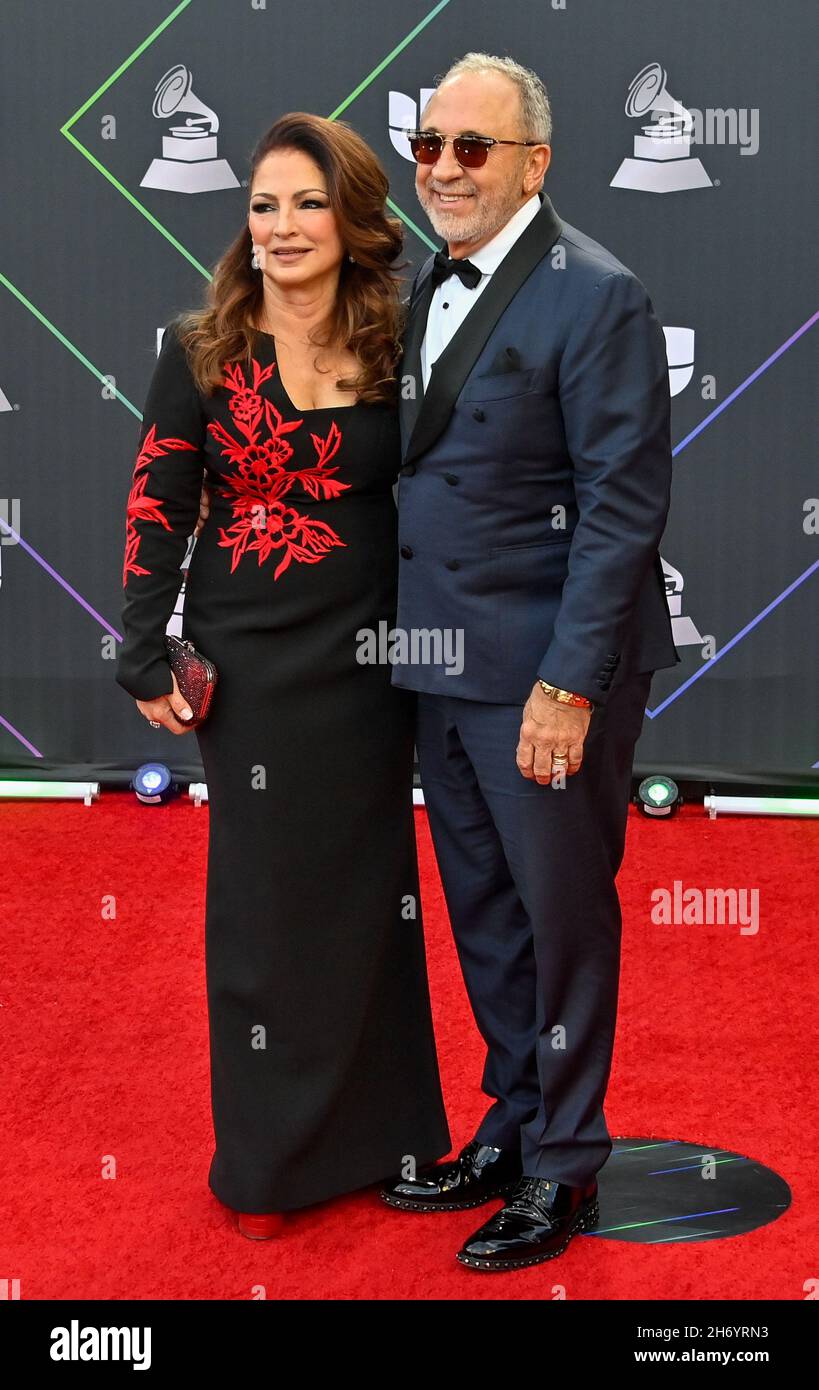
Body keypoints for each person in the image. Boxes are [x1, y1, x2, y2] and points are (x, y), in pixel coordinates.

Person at [115, 112, 450, 1240]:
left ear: (352, 219)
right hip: (252, 667)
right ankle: (268, 1162)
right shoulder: (202, 343)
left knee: (372, 896)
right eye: (264, 204)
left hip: (373, 658)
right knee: (265, 912)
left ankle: (388, 1138)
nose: (284, 225)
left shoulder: (400, 339)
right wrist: (139, 643)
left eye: (308, 203)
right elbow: (159, 495)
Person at [378, 53, 680, 1271]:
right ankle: (510, 1127)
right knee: (487, 917)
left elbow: (621, 503)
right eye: (430, 145)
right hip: (441, 670)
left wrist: (565, 685)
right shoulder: (421, 286)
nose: (443, 168)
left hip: (549, 678)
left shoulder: (597, 294)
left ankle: (567, 1169)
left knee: (561, 924)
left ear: (534, 163)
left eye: (472, 148)